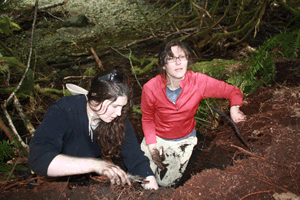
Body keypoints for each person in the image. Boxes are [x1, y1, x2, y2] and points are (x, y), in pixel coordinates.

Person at [28, 69, 158, 190]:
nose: (119, 112)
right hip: (56, 182)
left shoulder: (118, 118)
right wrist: (96, 165)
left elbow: (135, 158)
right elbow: (38, 159)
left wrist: (153, 189)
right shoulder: (64, 110)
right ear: (95, 99)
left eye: (122, 106)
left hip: (88, 183)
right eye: (114, 106)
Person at [140, 40, 246, 187]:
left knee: (165, 184)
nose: (178, 62)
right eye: (171, 58)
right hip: (157, 138)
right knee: (143, 176)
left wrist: (234, 107)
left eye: (182, 57)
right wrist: (152, 145)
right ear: (163, 64)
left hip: (183, 141)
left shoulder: (198, 82)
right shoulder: (150, 88)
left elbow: (232, 90)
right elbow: (147, 118)